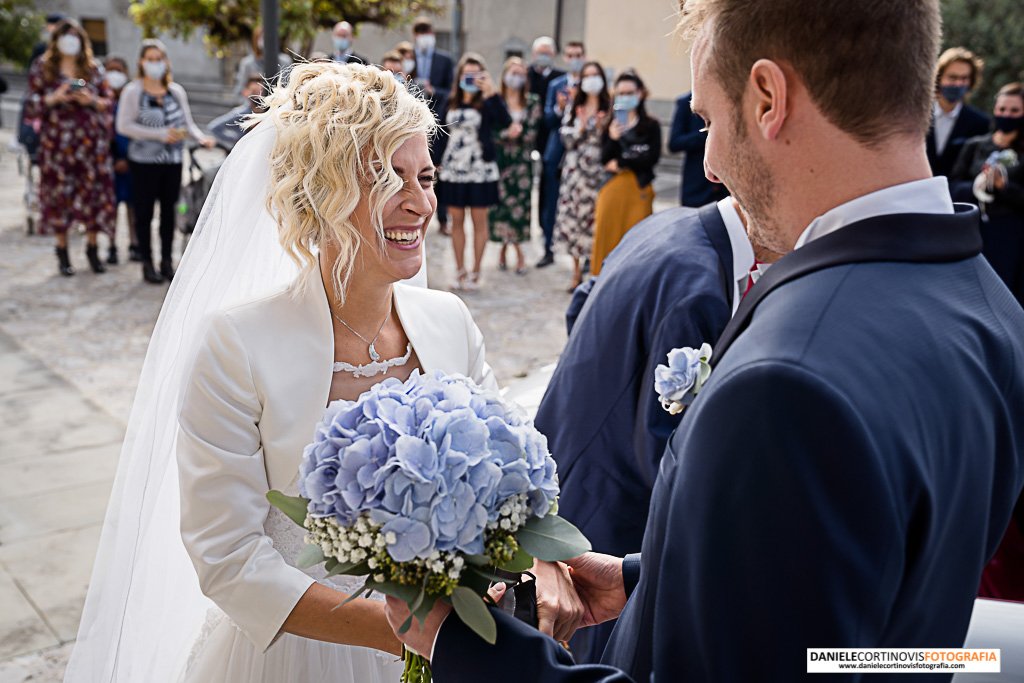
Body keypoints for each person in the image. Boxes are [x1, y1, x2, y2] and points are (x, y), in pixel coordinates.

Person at [387, 2, 1024, 681]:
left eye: (710, 119)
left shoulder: (787, 382)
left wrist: (465, 647)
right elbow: (853, 617)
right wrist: (653, 579)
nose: (712, 164)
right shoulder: (990, 306)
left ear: (769, 97)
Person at [65, 61, 577, 683]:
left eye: (425, 176)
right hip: (296, 653)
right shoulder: (238, 344)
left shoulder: (450, 322)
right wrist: (409, 635)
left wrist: (529, 569)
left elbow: (506, 489)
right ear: (321, 194)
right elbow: (227, 556)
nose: (419, 203)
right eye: (388, 179)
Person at [537, 195, 781, 663]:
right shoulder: (698, 293)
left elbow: (582, 301)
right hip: (611, 510)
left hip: (570, 453)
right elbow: (665, 448)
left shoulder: (668, 224)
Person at [117, 39, 215, 284]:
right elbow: (123, 125)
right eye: (150, 59)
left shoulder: (175, 91)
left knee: (169, 213)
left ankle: (166, 261)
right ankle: (147, 261)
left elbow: (187, 122)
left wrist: (201, 138)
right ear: (141, 62)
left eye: (158, 59)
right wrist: (160, 134)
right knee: (144, 213)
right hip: (143, 162)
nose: (155, 64)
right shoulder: (133, 91)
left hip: (172, 161)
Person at [25, 19, 115, 276]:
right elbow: (30, 105)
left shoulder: (93, 68)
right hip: (57, 145)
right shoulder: (43, 68)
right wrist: (54, 97)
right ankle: (62, 251)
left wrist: (91, 100)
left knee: (94, 194)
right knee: (59, 196)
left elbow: (109, 102)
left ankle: (92, 248)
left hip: (90, 144)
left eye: (76, 36)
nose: (71, 40)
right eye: (66, 36)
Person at [435, 53, 511, 291]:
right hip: (453, 168)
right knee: (456, 220)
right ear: (459, 76)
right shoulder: (449, 100)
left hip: (480, 168)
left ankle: (476, 270)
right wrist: (434, 161)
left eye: (475, 74)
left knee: (480, 221)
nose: (470, 79)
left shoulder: (488, 102)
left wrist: (491, 93)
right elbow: (440, 133)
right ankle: (459, 269)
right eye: (466, 74)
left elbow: (505, 122)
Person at [950, 81, 1024, 304]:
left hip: (1011, 236)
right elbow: (953, 185)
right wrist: (977, 185)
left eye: (1014, 111)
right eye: (1002, 109)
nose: (1006, 115)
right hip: (974, 231)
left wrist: (1004, 187)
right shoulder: (976, 145)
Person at [590, 70, 661, 276]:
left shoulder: (651, 125)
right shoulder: (610, 124)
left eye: (630, 92)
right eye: (620, 93)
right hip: (611, 188)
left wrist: (621, 161)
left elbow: (651, 158)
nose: (625, 97)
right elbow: (604, 160)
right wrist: (612, 137)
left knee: (637, 243)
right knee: (606, 239)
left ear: (640, 93)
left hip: (639, 188)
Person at [556, 60, 610, 292]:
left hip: (597, 173)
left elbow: (612, 140)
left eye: (595, 75)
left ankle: (595, 271)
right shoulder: (574, 107)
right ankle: (576, 272)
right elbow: (564, 138)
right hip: (574, 172)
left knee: (595, 220)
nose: (591, 80)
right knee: (574, 219)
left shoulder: (609, 107)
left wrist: (600, 127)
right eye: (586, 76)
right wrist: (581, 127)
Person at [490, 57, 542, 274]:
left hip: (521, 164)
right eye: (513, 72)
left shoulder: (532, 101)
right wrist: (505, 134)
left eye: (521, 73)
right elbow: (490, 130)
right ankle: (502, 248)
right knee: (500, 207)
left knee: (520, 209)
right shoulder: (497, 101)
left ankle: (519, 252)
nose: (516, 77)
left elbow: (533, 130)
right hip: (500, 161)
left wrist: (519, 134)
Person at [538, 40, 586, 268]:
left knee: (584, 204)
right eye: (570, 55)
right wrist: (559, 107)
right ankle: (548, 249)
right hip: (556, 153)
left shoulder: (590, 86)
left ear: (584, 57)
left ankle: (586, 254)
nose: (574, 58)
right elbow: (547, 120)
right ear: (565, 58)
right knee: (551, 203)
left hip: (582, 156)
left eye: (578, 54)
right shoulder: (556, 85)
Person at [412, 17, 455, 235]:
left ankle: (443, 219)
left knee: (437, 171)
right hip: (411, 123)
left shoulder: (445, 60)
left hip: (438, 122)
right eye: (420, 32)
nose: (423, 36)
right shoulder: (408, 56)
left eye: (426, 31)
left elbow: (451, 91)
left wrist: (433, 90)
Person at [926, 47, 990, 179]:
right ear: (939, 78)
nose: (958, 83)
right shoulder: (918, 118)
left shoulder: (980, 123)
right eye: (952, 77)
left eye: (964, 78)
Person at [103, 56, 138, 264]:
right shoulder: (102, 100)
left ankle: (134, 243)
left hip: (132, 161)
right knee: (111, 207)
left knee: (133, 206)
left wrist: (126, 157)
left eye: (119, 70)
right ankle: (111, 245)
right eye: (110, 70)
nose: (114, 74)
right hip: (109, 163)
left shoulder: (131, 97)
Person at [668, 91, 729, 207]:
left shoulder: (727, 98)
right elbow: (674, 143)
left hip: (725, 188)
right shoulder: (685, 102)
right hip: (696, 185)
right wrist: (707, 134)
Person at [527, 36, 565, 187]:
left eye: (547, 53)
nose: (543, 56)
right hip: (529, 132)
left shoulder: (560, 78)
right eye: (540, 52)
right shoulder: (526, 75)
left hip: (550, 133)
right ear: (533, 54)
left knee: (547, 180)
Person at [234, 27, 292, 102]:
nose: (267, 42)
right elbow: (239, 91)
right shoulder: (247, 63)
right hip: (252, 108)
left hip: (278, 106)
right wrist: (252, 94)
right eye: (263, 38)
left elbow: (289, 88)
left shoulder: (285, 61)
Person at [208, 76, 265, 149]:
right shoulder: (242, 113)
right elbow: (214, 127)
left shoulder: (269, 111)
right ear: (245, 92)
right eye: (254, 92)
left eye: (260, 92)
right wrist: (238, 138)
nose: (258, 96)